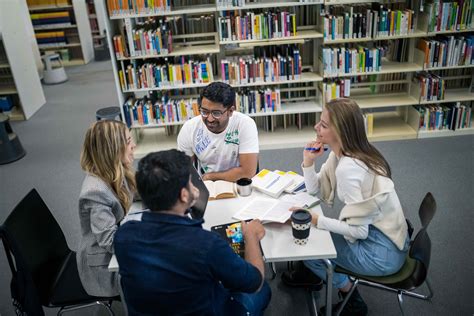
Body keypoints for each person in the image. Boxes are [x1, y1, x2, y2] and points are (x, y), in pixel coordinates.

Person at [282, 98, 409, 315]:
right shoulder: (350, 152)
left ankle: (351, 299)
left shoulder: (348, 169)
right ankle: (313, 273)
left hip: (381, 253)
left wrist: (316, 220)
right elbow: (315, 190)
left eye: (323, 125)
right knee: (314, 236)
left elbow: (359, 231)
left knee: (311, 247)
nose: (316, 127)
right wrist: (308, 161)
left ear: (340, 131)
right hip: (389, 238)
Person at [114, 149, 271, 315]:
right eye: (190, 182)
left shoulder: (124, 236)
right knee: (262, 291)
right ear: (183, 195)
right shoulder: (206, 245)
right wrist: (251, 236)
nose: (195, 187)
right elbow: (255, 282)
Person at [76, 120, 136, 297]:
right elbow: (111, 242)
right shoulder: (95, 192)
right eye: (128, 141)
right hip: (104, 266)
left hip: (120, 237)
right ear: (112, 150)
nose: (134, 146)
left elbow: (135, 192)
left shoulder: (116, 169)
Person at [177, 82, 259, 182]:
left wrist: (211, 177)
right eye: (204, 111)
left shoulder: (245, 124)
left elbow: (247, 172)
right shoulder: (189, 128)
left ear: (230, 111)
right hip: (206, 185)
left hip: (238, 183)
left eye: (216, 113)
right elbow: (184, 170)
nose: (210, 119)